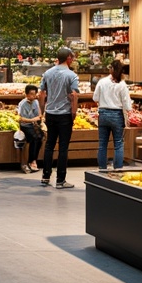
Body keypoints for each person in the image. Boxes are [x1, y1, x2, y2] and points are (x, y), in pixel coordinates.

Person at [38, 47, 80, 189]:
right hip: (64, 115)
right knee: (63, 147)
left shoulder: (47, 73)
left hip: (50, 113)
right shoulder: (71, 75)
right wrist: (73, 113)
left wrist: (42, 111)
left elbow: (42, 94)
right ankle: (60, 180)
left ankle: (45, 176)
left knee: (49, 145)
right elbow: (74, 95)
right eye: (72, 57)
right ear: (68, 58)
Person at [94, 61, 132, 170]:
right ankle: (118, 169)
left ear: (110, 69)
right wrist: (129, 111)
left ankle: (102, 168)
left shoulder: (102, 82)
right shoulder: (122, 84)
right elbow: (126, 103)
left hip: (103, 113)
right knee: (118, 144)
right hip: (117, 114)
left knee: (102, 144)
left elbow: (95, 98)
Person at [17, 84, 43, 173]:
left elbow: (39, 115)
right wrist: (32, 120)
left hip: (33, 125)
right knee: (34, 138)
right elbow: (20, 118)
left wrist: (36, 119)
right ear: (27, 94)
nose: (33, 96)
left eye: (35, 94)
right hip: (25, 126)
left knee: (40, 137)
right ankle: (31, 161)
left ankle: (34, 159)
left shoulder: (36, 102)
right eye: (31, 94)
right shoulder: (22, 104)